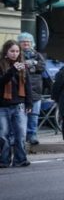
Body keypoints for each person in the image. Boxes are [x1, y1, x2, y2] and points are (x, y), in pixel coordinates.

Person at [0, 40, 32, 168]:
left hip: (19, 105)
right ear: (6, 52)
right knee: (3, 135)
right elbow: (1, 82)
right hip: (2, 106)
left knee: (21, 134)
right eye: (12, 51)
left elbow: (28, 85)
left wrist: (29, 103)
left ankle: (20, 159)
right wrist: (12, 70)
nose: (15, 54)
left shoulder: (22, 66)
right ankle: (4, 160)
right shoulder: (1, 65)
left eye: (17, 51)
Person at [18, 33, 45, 145]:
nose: (26, 43)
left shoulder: (37, 55)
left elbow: (42, 67)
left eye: (28, 41)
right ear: (19, 43)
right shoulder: (17, 54)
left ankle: (32, 135)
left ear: (31, 43)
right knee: (21, 115)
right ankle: (21, 136)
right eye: (23, 41)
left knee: (34, 115)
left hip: (35, 90)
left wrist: (33, 63)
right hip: (22, 90)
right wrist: (30, 66)